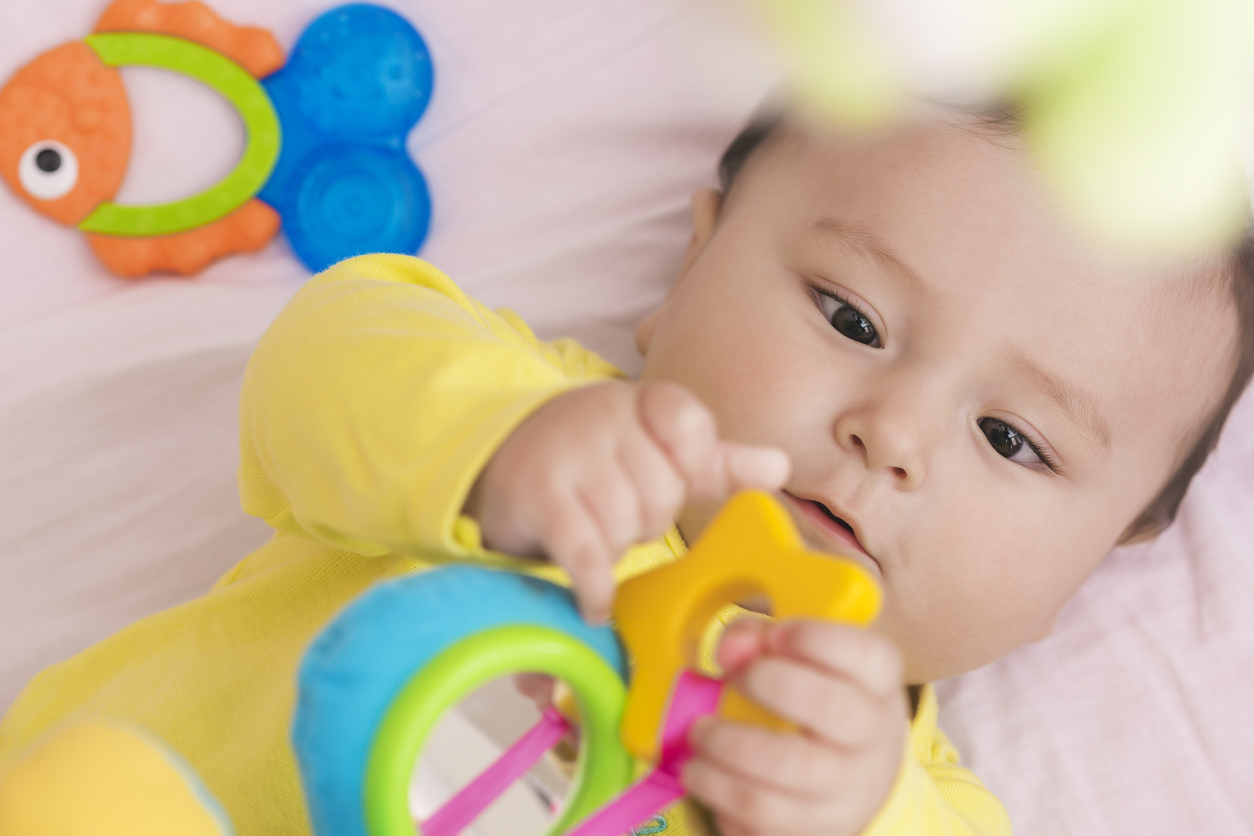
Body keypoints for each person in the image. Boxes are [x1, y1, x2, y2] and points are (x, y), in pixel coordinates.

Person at [1, 104, 1250, 836]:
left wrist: (857, 805)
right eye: (851, 317)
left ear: (1113, 545)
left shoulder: (908, 797)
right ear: (692, 263)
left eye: (1014, 438)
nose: (894, 434)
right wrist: (499, 449)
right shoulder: (518, 408)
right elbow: (323, 366)